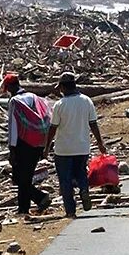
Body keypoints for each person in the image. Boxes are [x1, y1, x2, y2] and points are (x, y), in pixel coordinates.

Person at [45, 71, 106, 218]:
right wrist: (100, 143)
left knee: (65, 180)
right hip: (82, 146)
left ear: (63, 88)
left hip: (63, 149)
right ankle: (84, 189)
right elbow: (93, 124)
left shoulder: (60, 105)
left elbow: (53, 127)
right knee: (81, 172)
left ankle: (70, 211)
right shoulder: (86, 101)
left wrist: (46, 147)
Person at [2, 73, 52, 216]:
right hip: (38, 143)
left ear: (11, 87)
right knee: (26, 176)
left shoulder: (15, 101)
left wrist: (12, 149)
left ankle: (40, 197)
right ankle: (23, 209)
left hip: (22, 144)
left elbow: (13, 127)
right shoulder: (34, 97)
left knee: (19, 178)